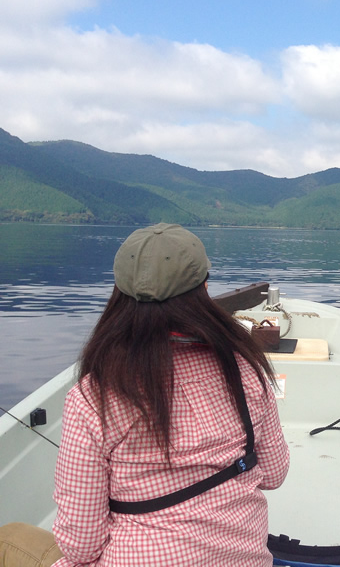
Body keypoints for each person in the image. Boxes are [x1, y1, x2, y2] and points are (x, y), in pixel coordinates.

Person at [49, 223, 289, 566]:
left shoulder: (92, 397)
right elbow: (274, 475)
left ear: (118, 295)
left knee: (11, 539)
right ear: (204, 288)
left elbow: (81, 546)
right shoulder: (246, 370)